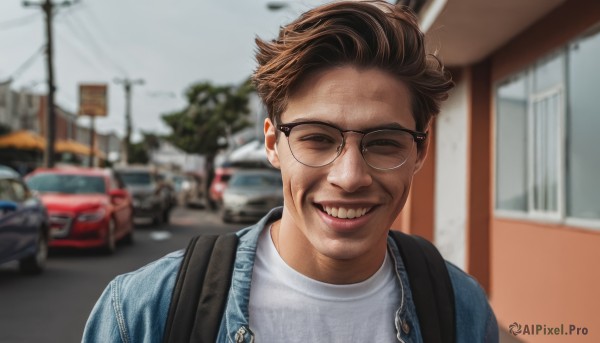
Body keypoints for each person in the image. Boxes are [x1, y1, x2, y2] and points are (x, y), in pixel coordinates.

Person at [83, 1, 498, 342]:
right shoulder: (144, 311)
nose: (349, 176)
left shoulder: (461, 310)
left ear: (420, 151)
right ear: (272, 144)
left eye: (384, 142)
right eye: (317, 138)